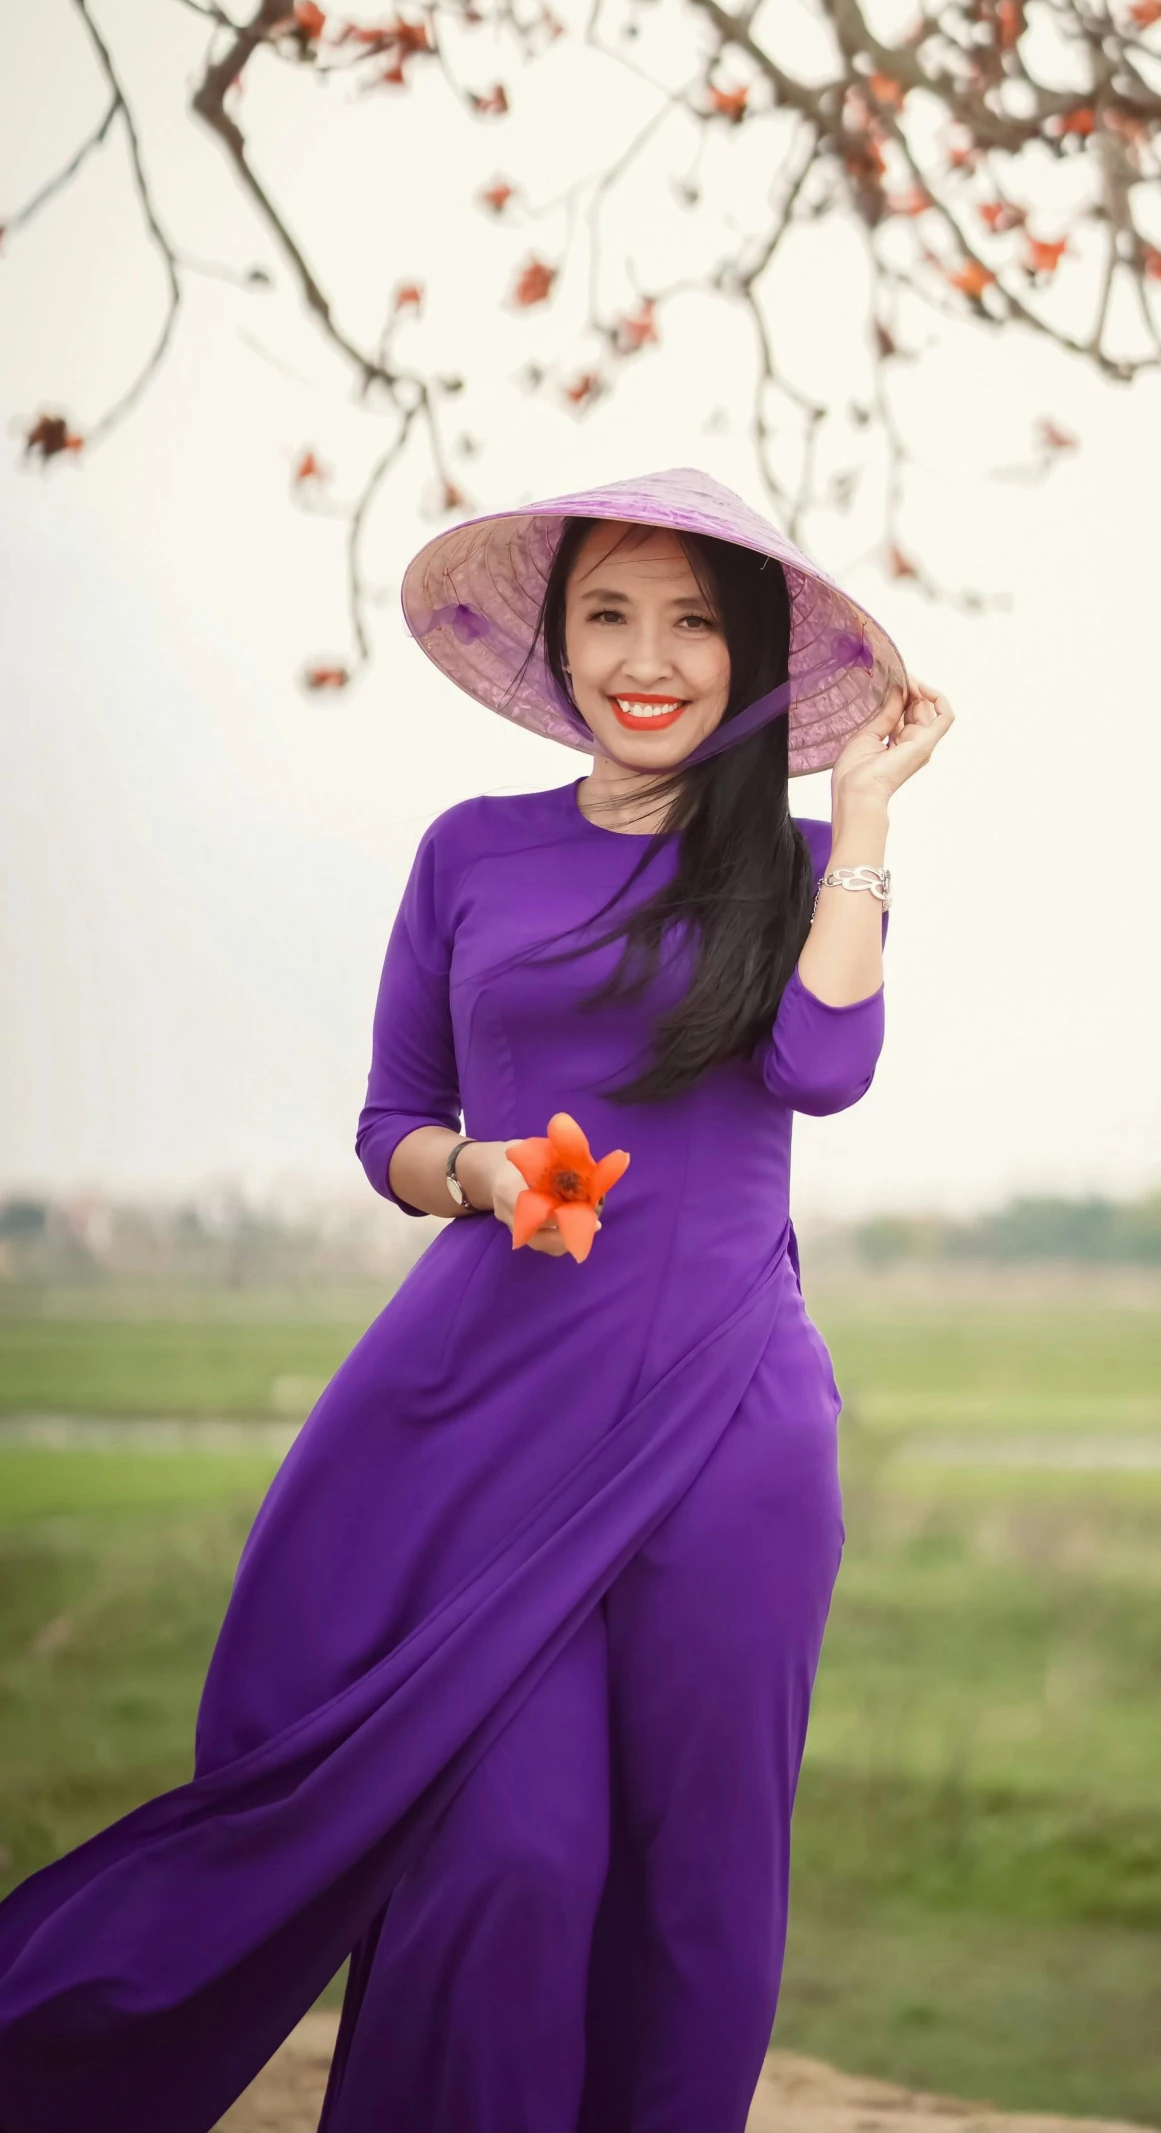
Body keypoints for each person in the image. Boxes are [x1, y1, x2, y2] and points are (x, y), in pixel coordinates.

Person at [0, 467, 952, 2133]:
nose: (643, 655)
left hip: (725, 1429)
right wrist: (482, 1171)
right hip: (487, 1414)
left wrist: (862, 830)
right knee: (511, 1850)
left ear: (743, 658)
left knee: (702, 1870)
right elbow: (391, 1125)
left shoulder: (795, 862)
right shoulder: (471, 852)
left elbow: (824, 1066)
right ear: (558, 639)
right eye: (605, 614)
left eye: (687, 622)